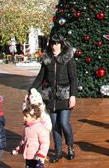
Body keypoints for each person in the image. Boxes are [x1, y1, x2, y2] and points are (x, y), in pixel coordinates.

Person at [29, 33, 77, 163]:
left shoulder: (68, 58)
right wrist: (31, 90)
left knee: (64, 123)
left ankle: (70, 146)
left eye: (57, 43)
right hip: (50, 96)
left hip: (64, 95)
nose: (54, 46)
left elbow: (73, 78)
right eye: (52, 43)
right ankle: (58, 151)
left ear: (61, 44)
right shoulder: (47, 59)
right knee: (55, 125)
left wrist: (73, 95)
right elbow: (40, 77)